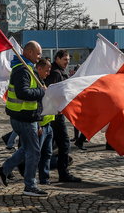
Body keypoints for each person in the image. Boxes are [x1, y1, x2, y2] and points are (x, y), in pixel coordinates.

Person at [0, 41, 48, 197]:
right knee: (34, 152)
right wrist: (41, 92)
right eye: (38, 53)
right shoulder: (23, 70)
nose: (39, 57)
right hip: (23, 118)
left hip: (26, 117)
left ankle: (3, 170)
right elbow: (22, 93)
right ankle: (30, 186)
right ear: (29, 52)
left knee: (26, 149)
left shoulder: (27, 68)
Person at [45, 50, 81, 182]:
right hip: (55, 115)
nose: (67, 63)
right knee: (64, 144)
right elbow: (50, 93)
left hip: (55, 114)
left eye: (68, 61)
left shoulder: (59, 71)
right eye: (65, 60)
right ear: (58, 59)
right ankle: (63, 173)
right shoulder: (55, 73)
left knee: (46, 145)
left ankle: (19, 166)